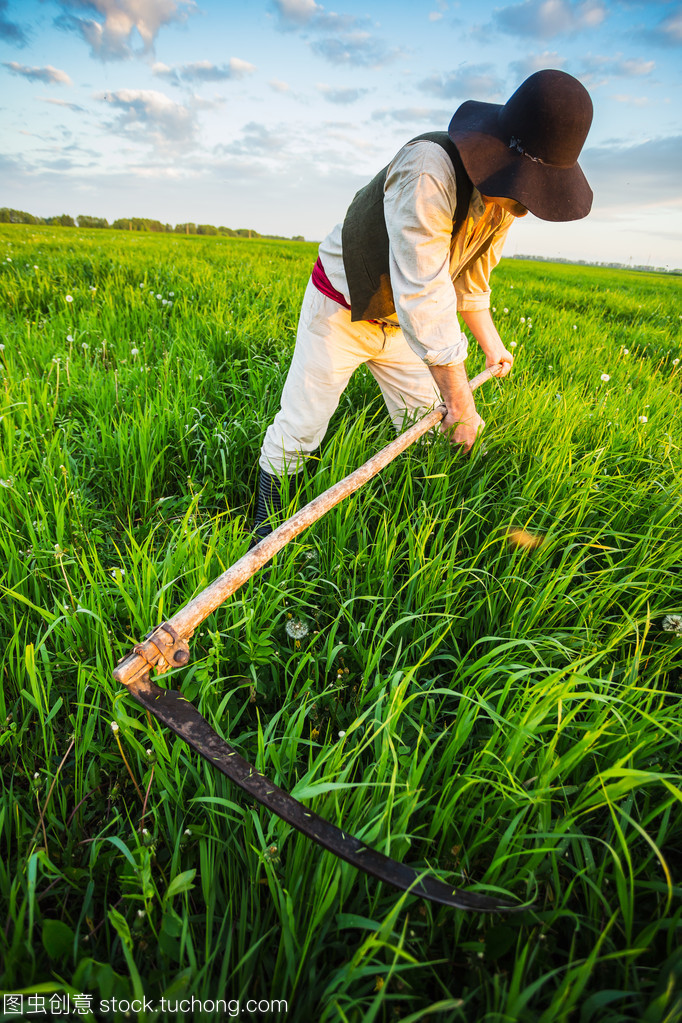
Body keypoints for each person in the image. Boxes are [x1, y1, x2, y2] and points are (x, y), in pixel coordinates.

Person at [252, 69, 593, 542]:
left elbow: (472, 285)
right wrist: (461, 397)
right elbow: (426, 292)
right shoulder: (428, 169)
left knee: (434, 431)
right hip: (342, 310)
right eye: (524, 192)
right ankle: (264, 525)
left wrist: (491, 346)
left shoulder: (504, 203)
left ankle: (428, 524)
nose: (524, 206)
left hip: (405, 331)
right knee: (302, 425)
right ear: (500, 157)